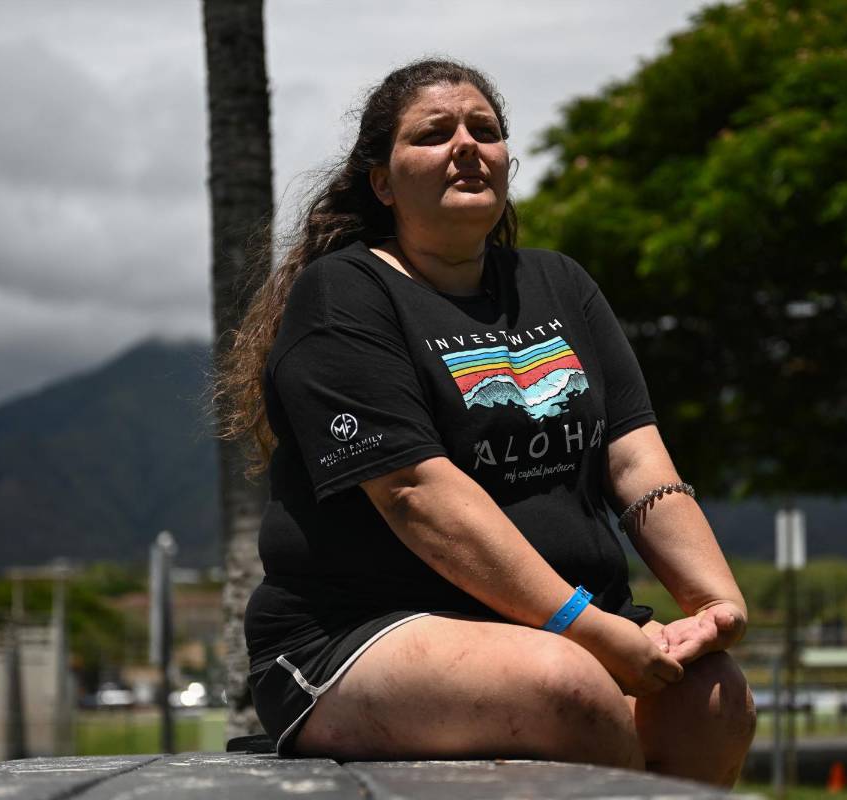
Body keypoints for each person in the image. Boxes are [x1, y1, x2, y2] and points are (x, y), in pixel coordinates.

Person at [217, 57, 755, 786]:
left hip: (562, 627)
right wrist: (588, 629)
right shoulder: (344, 295)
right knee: (570, 690)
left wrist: (714, 601)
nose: (466, 145)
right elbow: (416, 492)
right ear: (382, 181)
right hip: (360, 634)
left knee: (712, 698)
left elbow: (636, 462)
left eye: (486, 129)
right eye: (434, 134)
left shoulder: (560, 283)